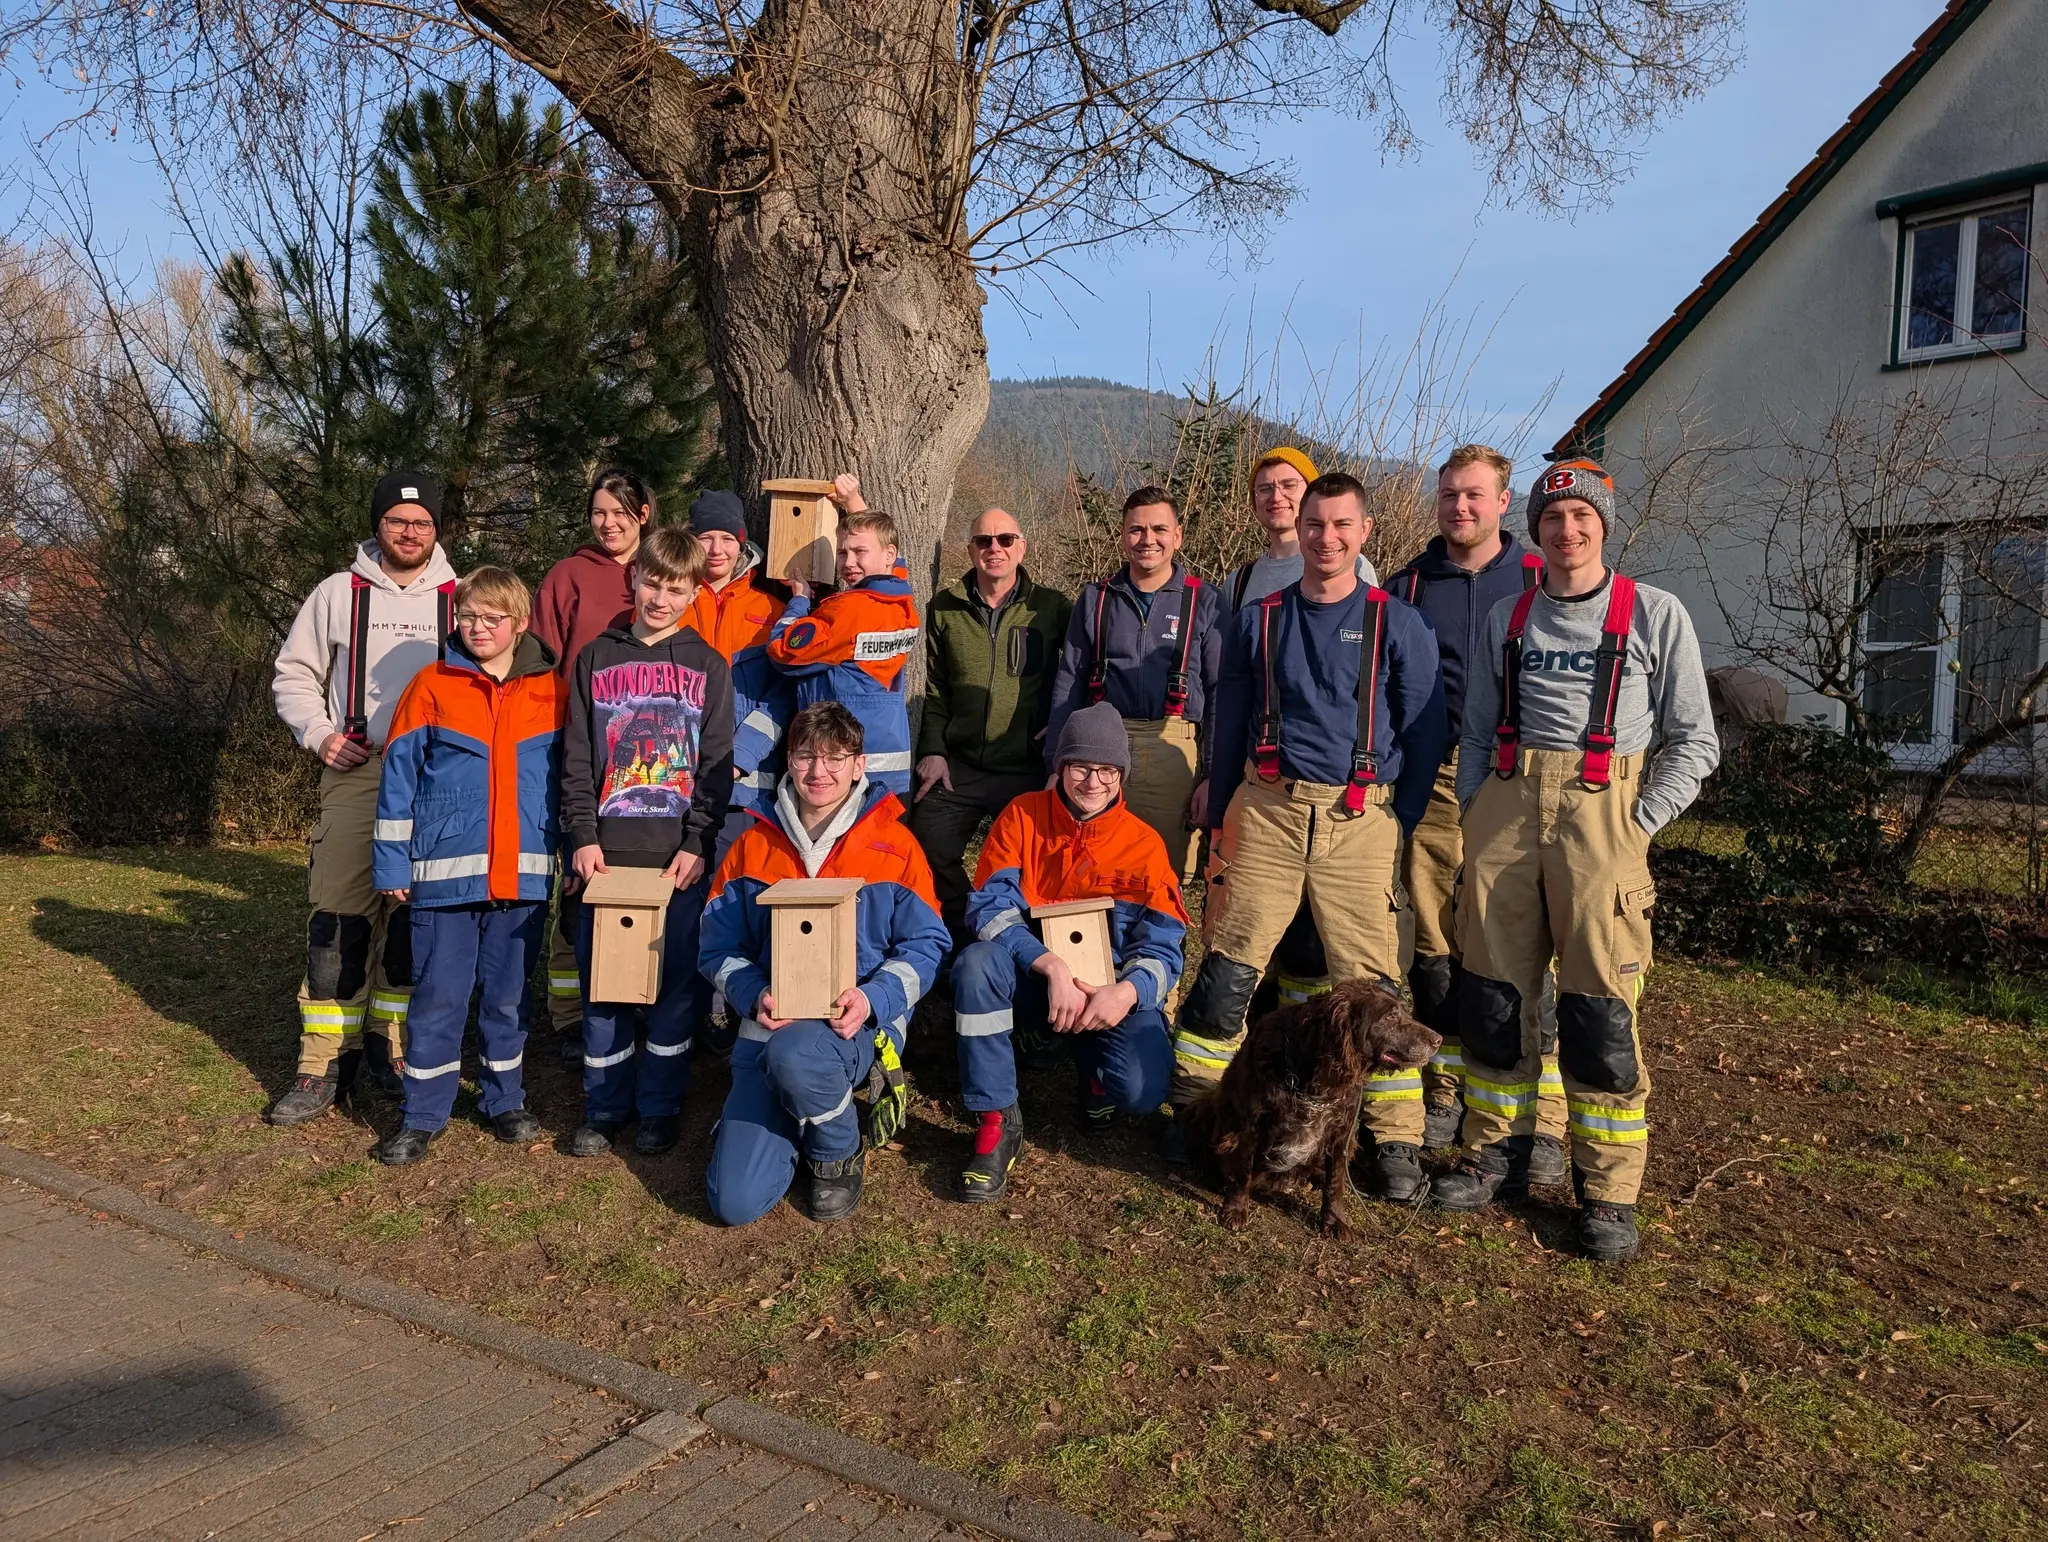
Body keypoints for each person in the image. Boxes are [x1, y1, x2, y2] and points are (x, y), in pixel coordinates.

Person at [1434, 458, 1719, 1262]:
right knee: (1492, 996)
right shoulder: (1510, 619)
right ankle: (1499, 1153)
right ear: (1536, 530)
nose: (1567, 531)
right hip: (1508, 807)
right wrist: (1478, 814)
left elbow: (1695, 741)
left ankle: (1608, 1190)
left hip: (1606, 816)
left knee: (1599, 1013)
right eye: (1553, 519)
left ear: (1603, 525)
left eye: (1581, 518)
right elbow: (1480, 729)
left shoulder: (1655, 614)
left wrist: (1641, 822)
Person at [1171, 472, 1446, 1201]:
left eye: (1341, 526)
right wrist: (1227, 802)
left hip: (1360, 819)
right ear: (1301, 531)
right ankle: (1199, 1116)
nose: (1326, 539)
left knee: (1377, 993)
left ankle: (1392, 1144)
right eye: (1315, 526)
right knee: (1228, 972)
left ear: (1364, 531)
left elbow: (1425, 731)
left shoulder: (1399, 623)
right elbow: (1228, 725)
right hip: (1267, 809)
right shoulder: (1258, 620)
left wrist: (1401, 817)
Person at [1385, 445, 1567, 1173]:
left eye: (1474, 496)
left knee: (1514, 940)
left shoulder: (1537, 579)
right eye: (1449, 496)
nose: (1460, 508)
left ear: (1502, 501)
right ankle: (1445, 1088)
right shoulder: (1406, 585)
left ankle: (1541, 1109)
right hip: (1430, 775)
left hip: (1515, 777)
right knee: (1433, 941)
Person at [699, 702, 950, 1225]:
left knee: (799, 1057)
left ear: (860, 766)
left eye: (836, 758)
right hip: (769, 1028)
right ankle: (791, 1112)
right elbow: (714, 947)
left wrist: (872, 999)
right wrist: (751, 994)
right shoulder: (751, 845)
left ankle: (836, 1148)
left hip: (852, 1025)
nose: (820, 772)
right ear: (789, 761)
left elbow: (927, 944)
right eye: (807, 756)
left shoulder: (896, 846)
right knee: (734, 1203)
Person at [268, 471, 459, 1126]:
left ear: (438, 530)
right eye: (397, 522)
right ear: (379, 525)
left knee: (414, 919)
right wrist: (320, 735)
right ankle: (324, 1062)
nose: (410, 533)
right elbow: (293, 673)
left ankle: (392, 1047)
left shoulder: (462, 600)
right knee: (340, 919)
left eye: (422, 523)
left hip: (435, 778)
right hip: (359, 769)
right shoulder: (336, 594)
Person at [948, 703, 1186, 1202]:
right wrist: (1050, 964)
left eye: (1106, 770)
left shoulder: (1145, 846)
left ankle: (1095, 1071)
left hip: (1106, 995)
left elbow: (1165, 949)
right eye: (1080, 767)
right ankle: (996, 1119)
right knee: (975, 965)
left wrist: (1126, 992)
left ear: (1122, 774)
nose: (1093, 782)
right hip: (1033, 981)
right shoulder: (1021, 816)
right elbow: (990, 911)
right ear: (1060, 767)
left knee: (1143, 1092)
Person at [368, 567, 565, 1165]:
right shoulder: (432, 685)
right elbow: (397, 782)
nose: (478, 628)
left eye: (492, 618)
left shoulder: (552, 690)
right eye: (468, 617)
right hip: (442, 878)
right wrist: (391, 865)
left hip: (522, 879)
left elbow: (567, 784)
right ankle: (424, 1113)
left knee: (508, 999)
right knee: (439, 996)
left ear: (520, 623)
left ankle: (504, 1099)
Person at [560, 527, 735, 1158]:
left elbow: (717, 764)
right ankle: (604, 1107)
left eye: (677, 588)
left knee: (672, 989)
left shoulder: (708, 666)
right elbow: (577, 755)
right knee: (604, 985)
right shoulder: (597, 658)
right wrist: (581, 834)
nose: (661, 598)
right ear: (635, 579)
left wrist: (698, 842)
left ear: (695, 593)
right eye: (653, 583)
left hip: (675, 858)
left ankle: (660, 1106)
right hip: (607, 850)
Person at [1215, 448, 1382, 1017]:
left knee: (1315, 941)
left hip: (1339, 795)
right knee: (1249, 931)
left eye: (1290, 485)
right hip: (1265, 788)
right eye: (1264, 487)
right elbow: (1233, 689)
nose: (1276, 496)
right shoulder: (1242, 583)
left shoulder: (1357, 575)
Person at [531, 469, 657, 1060]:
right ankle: (568, 1009)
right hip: (576, 748)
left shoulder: (658, 576)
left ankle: (635, 996)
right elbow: (539, 663)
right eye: (600, 513)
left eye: (621, 512)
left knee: (630, 879)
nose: (609, 524)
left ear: (645, 513)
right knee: (577, 876)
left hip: (647, 762)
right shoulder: (568, 576)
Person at [908, 508, 1072, 945]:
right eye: (983, 541)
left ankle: (1030, 948)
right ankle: (969, 937)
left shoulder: (1052, 608)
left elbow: (1078, 676)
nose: (993, 548)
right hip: (960, 767)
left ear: (1021, 547)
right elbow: (935, 688)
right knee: (925, 843)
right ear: (970, 550)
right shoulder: (944, 609)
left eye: (1004, 539)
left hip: (1028, 767)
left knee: (1040, 860)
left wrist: (1060, 733)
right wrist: (933, 751)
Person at [1047, 487, 1222, 881]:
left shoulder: (1206, 601)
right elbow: (1069, 682)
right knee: (1089, 868)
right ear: (1122, 535)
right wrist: (1055, 764)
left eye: (1159, 529)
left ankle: (1157, 943)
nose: (1148, 540)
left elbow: (1219, 696)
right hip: (1100, 750)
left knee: (1159, 875)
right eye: (1136, 530)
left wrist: (1213, 775)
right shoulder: (1095, 598)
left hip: (1174, 747)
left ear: (1177, 536)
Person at [767, 477, 920, 799]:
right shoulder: (902, 601)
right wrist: (853, 502)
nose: (848, 563)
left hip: (841, 766)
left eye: (859, 552)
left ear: (887, 554)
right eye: (842, 552)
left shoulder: (849, 610)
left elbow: (783, 653)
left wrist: (798, 601)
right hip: (889, 761)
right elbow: (892, 557)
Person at [683, 488, 795, 851]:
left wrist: (740, 756)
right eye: (705, 538)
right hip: (677, 783)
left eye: (727, 538)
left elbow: (782, 696)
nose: (716, 549)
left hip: (746, 788)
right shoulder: (667, 603)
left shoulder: (773, 611)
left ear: (743, 544)